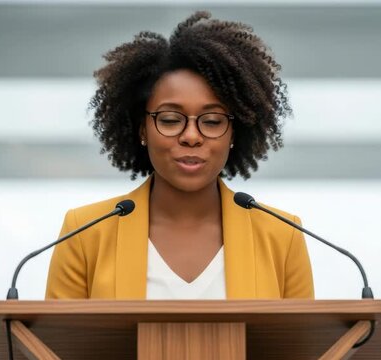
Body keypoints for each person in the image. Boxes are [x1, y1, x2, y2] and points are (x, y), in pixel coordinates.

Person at [45, 11, 313, 300]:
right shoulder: (85, 234)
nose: (191, 136)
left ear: (235, 133)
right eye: (171, 119)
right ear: (142, 130)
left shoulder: (282, 236)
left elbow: (301, 345)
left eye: (212, 121)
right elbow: (56, 344)